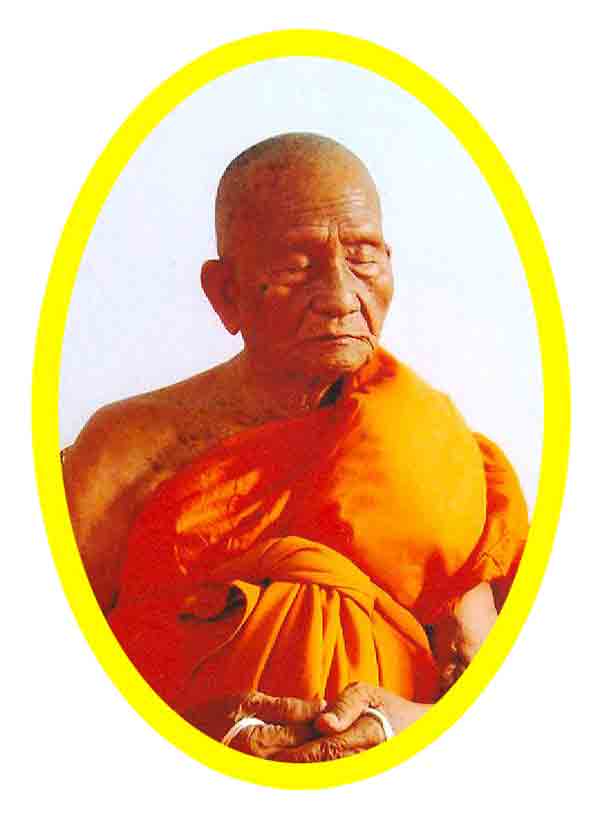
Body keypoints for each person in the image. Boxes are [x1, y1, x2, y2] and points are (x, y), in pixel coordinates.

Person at [62, 133, 528, 763]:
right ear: (225, 293)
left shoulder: (430, 444)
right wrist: (183, 742)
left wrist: (404, 728)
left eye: (362, 257)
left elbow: (501, 709)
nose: (340, 297)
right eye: (295, 266)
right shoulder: (124, 454)